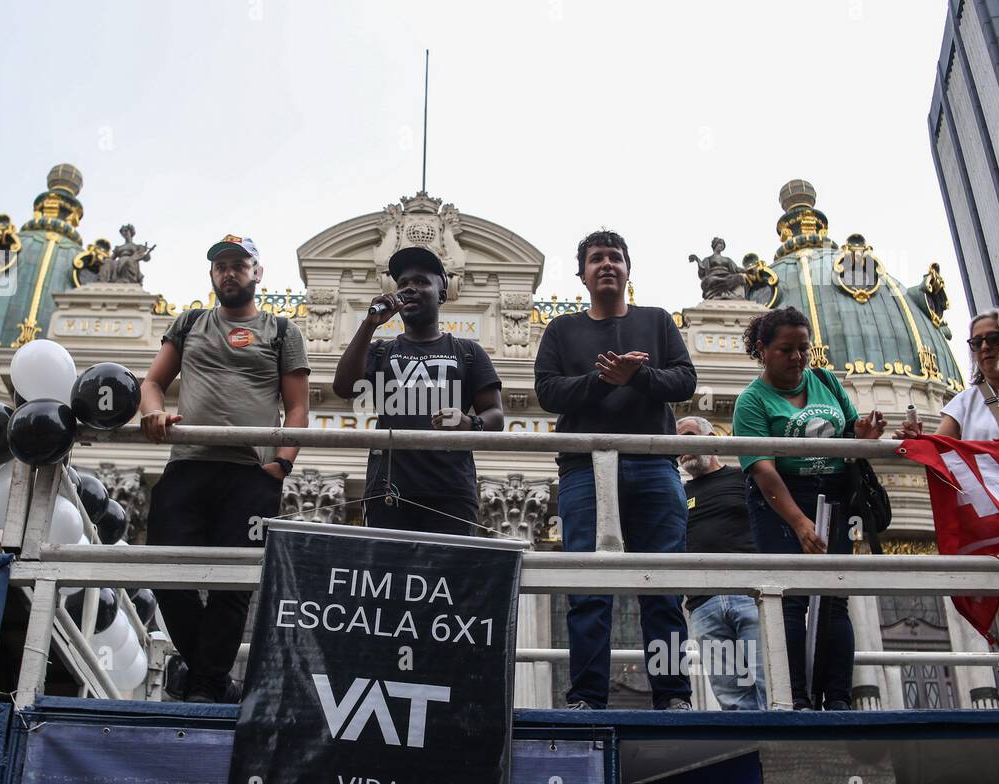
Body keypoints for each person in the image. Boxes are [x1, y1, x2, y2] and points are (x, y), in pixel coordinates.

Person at [140, 235, 310, 703]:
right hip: (189, 466)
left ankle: (200, 686)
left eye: (239, 264)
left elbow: (297, 409)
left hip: (250, 475)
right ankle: (212, 680)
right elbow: (153, 382)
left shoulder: (281, 331)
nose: (229, 272)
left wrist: (281, 465)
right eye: (221, 266)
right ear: (212, 275)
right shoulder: (190, 323)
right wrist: (153, 411)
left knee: (234, 586)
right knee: (164, 573)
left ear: (257, 273)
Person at [534, 229, 697, 711]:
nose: (607, 264)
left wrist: (638, 375)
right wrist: (604, 381)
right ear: (581, 274)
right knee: (588, 585)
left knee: (663, 585)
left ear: (628, 270)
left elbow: (685, 379)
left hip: (654, 467)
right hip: (585, 470)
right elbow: (548, 393)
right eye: (596, 259)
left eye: (615, 258)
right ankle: (587, 697)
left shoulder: (657, 321)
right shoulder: (561, 331)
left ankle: (673, 696)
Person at [896, 307, 999, 709]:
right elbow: (940, 448)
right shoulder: (965, 403)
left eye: (993, 339)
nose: (984, 348)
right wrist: (914, 438)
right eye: (976, 342)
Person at [733, 306, 885, 710]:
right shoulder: (751, 402)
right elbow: (763, 470)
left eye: (804, 348)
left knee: (835, 598)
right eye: (787, 349)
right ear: (763, 350)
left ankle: (838, 699)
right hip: (782, 502)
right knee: (791, 598)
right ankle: (796, 697)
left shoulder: (825, 381)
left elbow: (850, 430)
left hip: (833, 497)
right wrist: (799, 523)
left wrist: (864, 434)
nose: (798, 357)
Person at [332, 245, 503, 536]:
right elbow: (344, 387)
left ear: (442, 294)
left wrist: (468, 423)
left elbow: (496, 416)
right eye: (403, 284)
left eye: (421, 282)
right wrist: (369, 324)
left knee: (449, 577)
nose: (410, 289)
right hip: (388, 492)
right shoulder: (381, 351)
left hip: (451, 493)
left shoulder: (468, 352)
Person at [677, 415, 766, 710]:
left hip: (751, 594)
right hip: (703, 604)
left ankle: (785, 751)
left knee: (771, 682)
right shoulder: (677, 494)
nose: (683, 447)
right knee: (731, 695)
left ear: (712, 437)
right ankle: (753, 753)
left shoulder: (745, 478)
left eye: (689, 436)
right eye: (677, 442)